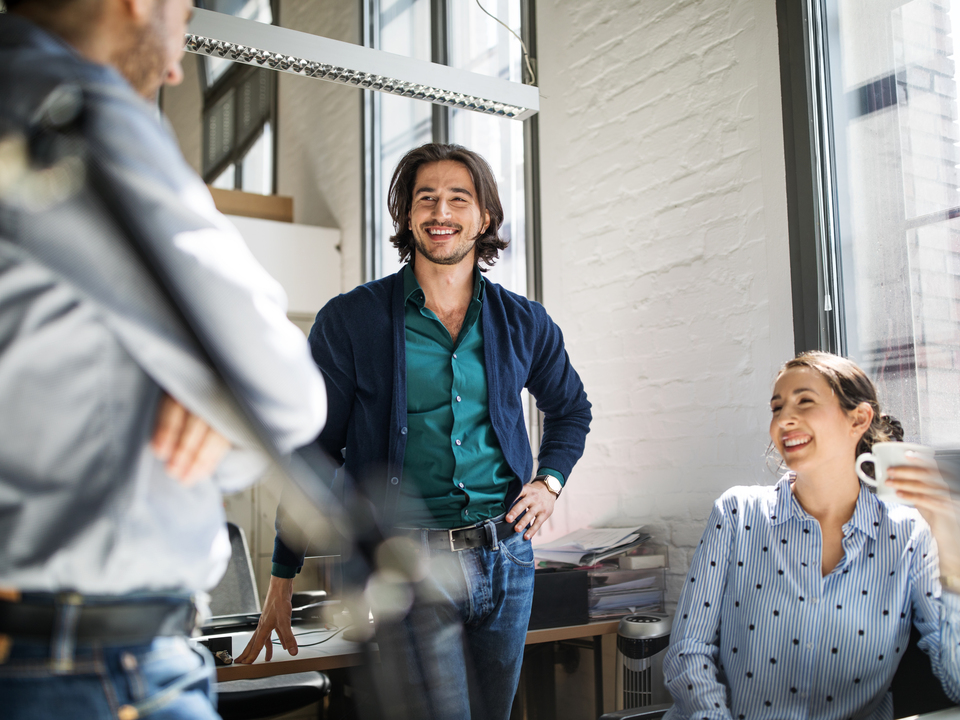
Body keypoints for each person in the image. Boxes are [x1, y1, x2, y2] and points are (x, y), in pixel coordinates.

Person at [0, 1, 327, 718]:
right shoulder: (69, 104)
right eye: (183, 13)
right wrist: (217, 404)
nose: (179, 64)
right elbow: (285, 395)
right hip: (91, 665)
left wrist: (200, 390)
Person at [238, 143, 592, 720]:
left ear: (486, 218)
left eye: (459, 198)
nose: (441, 212)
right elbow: (311, 452)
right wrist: (282, 574)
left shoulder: (524, 321)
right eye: (425, 198)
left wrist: (549, 482)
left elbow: (571, 408)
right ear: (406, 214)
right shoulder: (351, 320)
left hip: (508, 560)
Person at [663, 351, 960, 719]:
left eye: (805, 401)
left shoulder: (907, 534)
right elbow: (688, 651)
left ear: (859, 419)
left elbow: (955, 678)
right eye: (776, 407)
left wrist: (946, 532)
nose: (784, 419)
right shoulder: (738, 513)